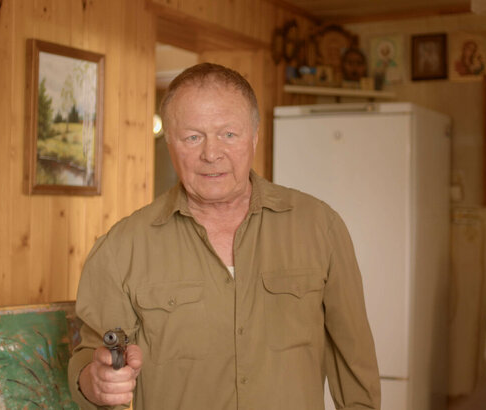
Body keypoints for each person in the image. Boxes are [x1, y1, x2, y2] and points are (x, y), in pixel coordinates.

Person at [68, 62, 380, 410]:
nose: (211, 154)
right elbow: (89, 356)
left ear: (254, 136)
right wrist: (95, 381)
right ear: (170, 142)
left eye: (228, 134)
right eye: (193, 137)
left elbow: (355, 367)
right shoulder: (121, 247)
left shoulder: (320, 226)